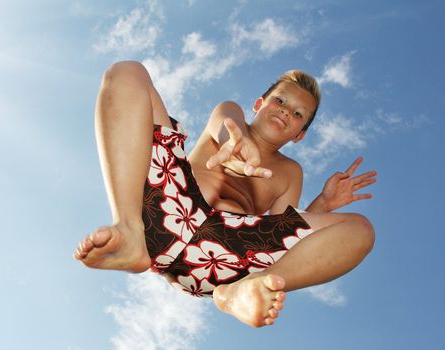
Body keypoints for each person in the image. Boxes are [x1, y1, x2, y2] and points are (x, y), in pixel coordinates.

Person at [74, 61, 377, 328]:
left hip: (224, 257)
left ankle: (244, 290)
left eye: (297, 113)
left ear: (299, 135)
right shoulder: (230, 115)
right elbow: (226, 121)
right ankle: (128, 229)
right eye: (279, 100)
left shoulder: (290, 172)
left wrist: (324, 204)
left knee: (360, 230)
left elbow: (282, 234)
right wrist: (234, 140)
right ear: (259, 103)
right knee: (128, 72)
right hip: (165, 210)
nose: (285, 110)